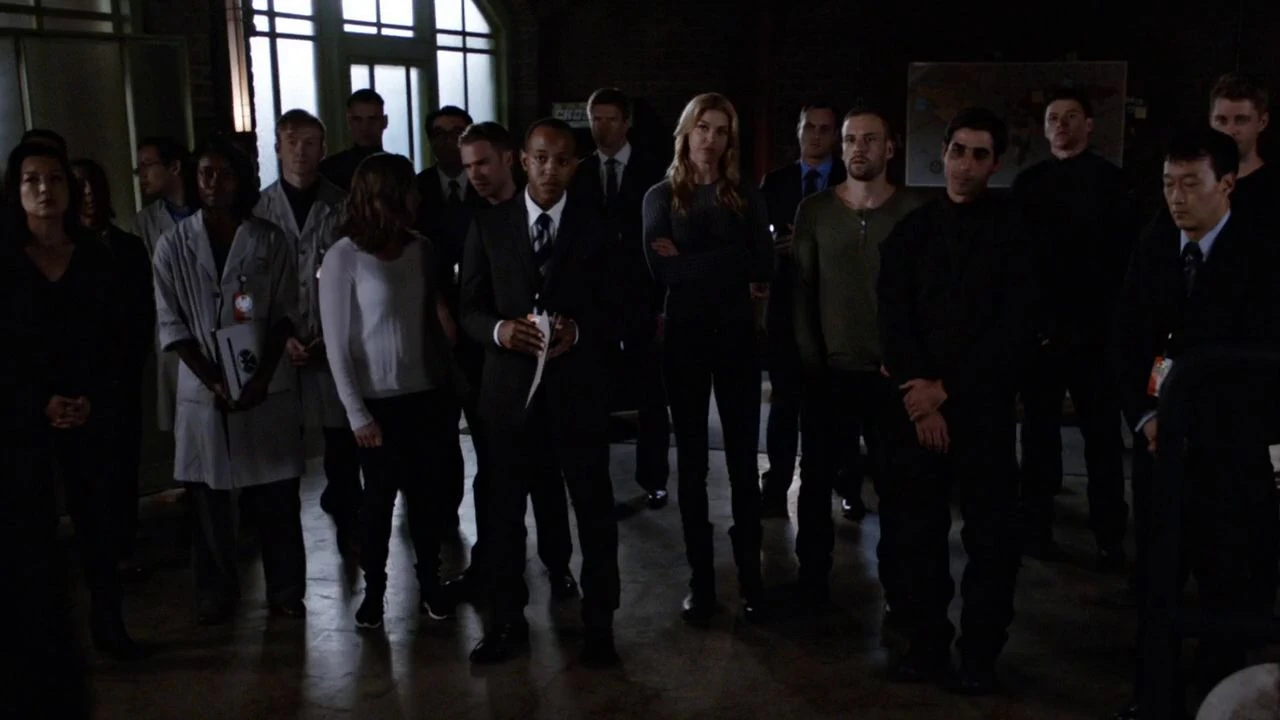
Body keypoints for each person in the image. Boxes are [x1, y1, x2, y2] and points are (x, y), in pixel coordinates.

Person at [1109, 128, 1280, 720]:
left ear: (1226, 184)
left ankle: (1216, 696)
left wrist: (1197, 424)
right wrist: (1148, 417)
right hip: (1160, 446)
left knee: (1226, 577)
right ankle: (1152, 695)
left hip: (1230, 451)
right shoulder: (1155, 244)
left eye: (1190, 184)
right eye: (1167, 184)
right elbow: (1127, 339)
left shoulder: (1262, 254)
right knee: (1156, 578)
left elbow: (1260, 364)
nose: (1176, 198)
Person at [877, 107, 1034, 695]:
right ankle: (926, 646)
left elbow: (1014, 330)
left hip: (983, 413)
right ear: (942, 154)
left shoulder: (1016, 236)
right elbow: (893, 319)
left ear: (995, 164)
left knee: (992, 543)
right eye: (957, 151)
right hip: (919, 413)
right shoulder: (912, 232)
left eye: (979, 154)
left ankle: (980, 656)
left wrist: (947, 390)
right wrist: (922, 397)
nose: (965, 164)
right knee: (918, 538)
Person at [460, 118, 620, 667]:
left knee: (594, 512)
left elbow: (621, 306)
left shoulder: (598, 225)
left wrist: (583, 330)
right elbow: (468, 308)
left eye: (563, 160)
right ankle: (506, 621)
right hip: (508, 397)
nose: (551, 169)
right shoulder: (489, 224)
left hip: (578, 394)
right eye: (541, 158)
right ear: (523, 161)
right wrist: (500, 330)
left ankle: (600, 625)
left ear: (576, 166)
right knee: (503, 514)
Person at [152, 137, 307, 625]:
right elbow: (171, 324)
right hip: (204, 386)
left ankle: (286, 589)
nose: (213, 183)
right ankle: (215, 591)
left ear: (242, 180)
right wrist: (215, 380)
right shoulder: (173, 245)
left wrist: (259, 377)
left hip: (265, 383)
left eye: (224, 173)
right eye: (205, 173)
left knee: (277, 496)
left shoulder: (270, 240)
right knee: (209, 500)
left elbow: (285, 312)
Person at [2, 142, 145, 660]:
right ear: (16, 189)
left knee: (99, 525)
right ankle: (39, 644)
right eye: (32, 180)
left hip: (91, 408)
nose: (45, 190)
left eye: (55, 179)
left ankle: (109, 625)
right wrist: (39, 401)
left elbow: (119, 339)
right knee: (29, 529)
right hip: (23, 414)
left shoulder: (95, 259)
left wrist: (92, 398)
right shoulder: (5, 261)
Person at [643, 93, 774, 626]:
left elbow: (763, 264)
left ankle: (751, 577)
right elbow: (663, 273)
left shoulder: (745, 195)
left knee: (742, 461)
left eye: (721, 130)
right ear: (686, 131)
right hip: (685, 339)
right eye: (703, 127)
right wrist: (730, 260)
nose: (711, 139)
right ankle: (701, 580)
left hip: (737, 337)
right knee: (693, 463)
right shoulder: (660, 197)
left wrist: (694, 261)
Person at [790, 105, 928, 612]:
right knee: (815, 484)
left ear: (889, 148)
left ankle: (900, 590)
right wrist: (813, 363)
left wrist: (910, 363)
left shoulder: (914, 211)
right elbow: (802, 292)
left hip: (890, 376)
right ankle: (812, 581)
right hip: (830, 374)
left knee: (897, 489)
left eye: (870, 139)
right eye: (850, 139)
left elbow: (926, 297)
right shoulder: (816, 211)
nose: (858, 148)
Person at [319, 152, 461, 629]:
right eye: (410, 189)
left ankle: (431, 584)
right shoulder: (343, 256)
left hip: (425, 396)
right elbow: (337, 344)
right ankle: (374, 591)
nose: (418, 196)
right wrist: (356, 413)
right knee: (378, 503)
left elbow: (432, 321)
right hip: (376, 404)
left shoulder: (421, 249)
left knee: (426, 499)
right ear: (387, 195)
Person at [442, 121, 577, 604]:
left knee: (548, 479)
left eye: (483, 163)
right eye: (468, 166)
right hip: (494, 377)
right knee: (498, 485)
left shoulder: (567, 216)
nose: (475, 174)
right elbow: (469, 304)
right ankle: (499, 579)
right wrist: (498, 331)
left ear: (509, 160)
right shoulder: (479, 222)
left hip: (559, 380)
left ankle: (558, 565)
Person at [1013, 87, 1135, 568]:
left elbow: (1120, 264)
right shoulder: (1028, 184)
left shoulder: (1113, 183)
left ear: (1089, 125)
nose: (1060, 125)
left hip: (1095, 336)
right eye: (1052, 118)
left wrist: (1098, 328)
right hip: (1041, 337)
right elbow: (1019, 265)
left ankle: (1109, 535)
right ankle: (1036, 530)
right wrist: (1036, 326)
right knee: (1038, 439)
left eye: (1069, 116)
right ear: (1044, 129)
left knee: (1102, 440)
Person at [253, 110, 361, 553]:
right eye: (292, 141)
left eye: (311, 142)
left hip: (331, 343)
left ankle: (352, 533)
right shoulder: (258, 210)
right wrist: (281, 338)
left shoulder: (344, 206)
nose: (301, 151)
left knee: (341, 442)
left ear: (324, 149)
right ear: (278, 148)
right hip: (277, 346)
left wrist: (329, 336)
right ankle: (279, 544)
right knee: (280, 449)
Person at [573, 87, 671, 514]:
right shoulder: (579, 171)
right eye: (596, 119)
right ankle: (597, 484)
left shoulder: (654, 171)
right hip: (593, 304)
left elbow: (664, 240)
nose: (602, 127)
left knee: (651, 394)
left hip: (642, 298)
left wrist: (662, 304)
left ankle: (654, 480)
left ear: (626, 123)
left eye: (610, 119)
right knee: (593, 396)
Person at [759, 102, 846, 519]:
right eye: (809, 127)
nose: (816, 135)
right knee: (784, 404)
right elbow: (755, 244)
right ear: (798, 131)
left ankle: (839, 484)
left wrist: (813, 246)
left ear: (835, 136)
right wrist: (773, 249)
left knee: (832, 407)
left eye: (825, 129)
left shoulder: (847, 180)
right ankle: (776, 487)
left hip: (835, 312)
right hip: (785, 308)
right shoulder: (775, 183)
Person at [70, 157, 155, 579]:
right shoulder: (59, 250)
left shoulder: (129, 247)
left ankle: (123, 544)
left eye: (94, 185)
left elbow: (142, 314)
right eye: (80, 186)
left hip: (121, 375)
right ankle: (94, 550)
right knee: (85, 470)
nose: (89, 194)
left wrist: (126, 364)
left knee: (123, 462)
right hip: (77, 379)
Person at [133, 136, 196, 436]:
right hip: (171, 331)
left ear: (174, 167)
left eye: (148, 165)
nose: (142, 174)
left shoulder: (207, 212)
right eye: (139, 168)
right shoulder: (144, 223)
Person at [1209, 72, 1276, 217]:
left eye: (1241, 120)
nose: (1229, 131)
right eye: (1221, 120)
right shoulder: (1195, 185)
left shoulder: (1273, 189)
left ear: (1262, 122)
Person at [319, 89, 387, 192]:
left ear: (384, 122)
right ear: (349, 122)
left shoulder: (399, 169)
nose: (365, 127)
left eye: (372, 119)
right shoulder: (328, 170)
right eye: (357, 119)